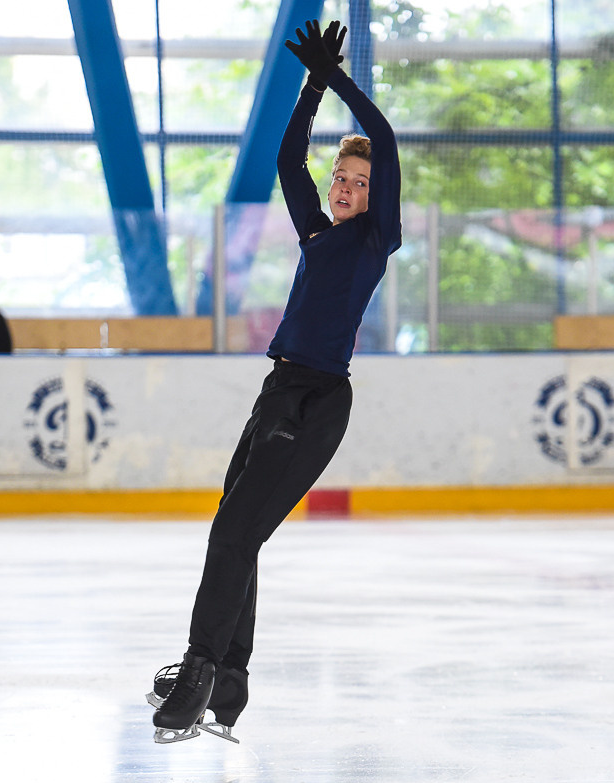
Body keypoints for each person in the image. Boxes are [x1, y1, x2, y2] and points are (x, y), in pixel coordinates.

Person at [147, 19, 402, 744]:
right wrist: (311, 86)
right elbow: (289, 159)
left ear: (375, 194)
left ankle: (200, 670)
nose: (346, 187)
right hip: (277, 394)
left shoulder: (375, 239)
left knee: (234, 533)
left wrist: (341, 81)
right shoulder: (317, 233)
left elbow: (384, 141)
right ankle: (228, 679)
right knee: (237, 527)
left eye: (360, 183)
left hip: (317, 401)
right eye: (341, 179)